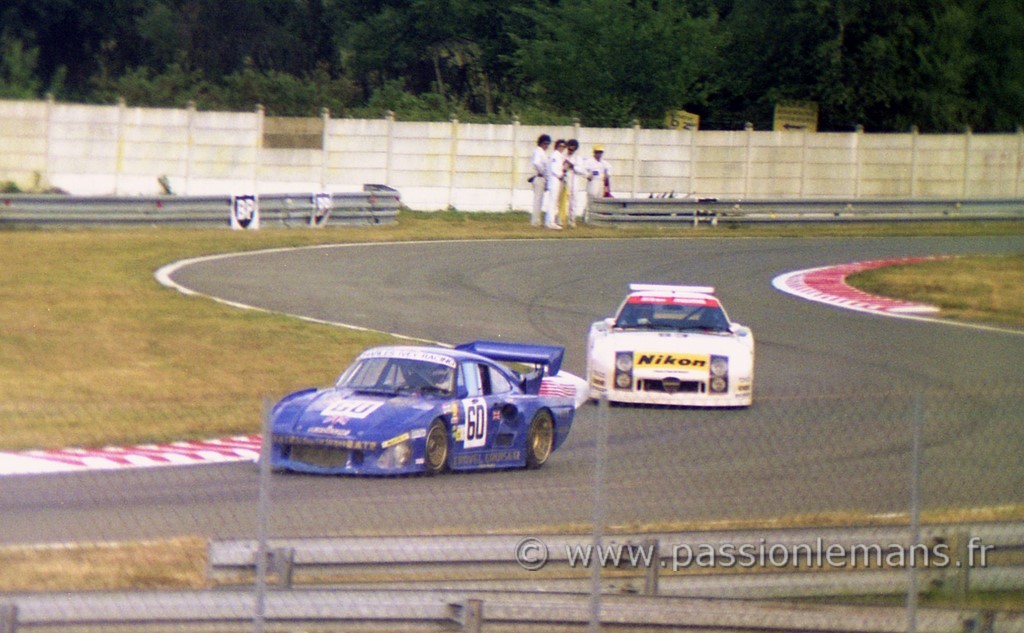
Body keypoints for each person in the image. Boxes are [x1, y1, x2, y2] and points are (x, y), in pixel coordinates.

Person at [582, 145, 613, 220]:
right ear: (594, 152)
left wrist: (607, 175)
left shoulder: (603, 162)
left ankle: (596, 216)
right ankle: (587, 217)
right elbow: (582, 170)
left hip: (600, 182)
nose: (599, 154)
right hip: (593, 182)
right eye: (597, 152)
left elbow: (610, 169)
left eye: (600, 152)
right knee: (591, 198)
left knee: (599, 199)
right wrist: (587, 175)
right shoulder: (589, 161)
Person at [542, 139, 567, 229]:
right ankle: (550, 222)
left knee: (555, 201)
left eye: (564, 146)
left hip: (558, 179)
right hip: (554, 179)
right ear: (557, 146)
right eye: (561, 146)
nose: (562, 148)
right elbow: (554, 169)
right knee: (552, 201)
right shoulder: (555, 156)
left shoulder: (560, 156)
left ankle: (551, 221)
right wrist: (560, 175)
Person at [564, 139, 588, 227]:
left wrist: (572, 166)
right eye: (569, 148)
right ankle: (560, 219)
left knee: (573, 201)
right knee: (562, 200)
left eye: (572, 149)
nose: (570, 151)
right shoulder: (563, 156)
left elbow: (581, 170)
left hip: (574, 180)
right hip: (563, 179)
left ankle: (572, 220)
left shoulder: (578, 158)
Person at [529, 134, 551, 226]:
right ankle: (535, 221)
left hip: (542, 177)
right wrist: (542, 172)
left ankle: (537, 220)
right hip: (539, 177)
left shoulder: (542, 152)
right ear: (540, 143)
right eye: (545, 143)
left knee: (540, 200)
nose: (546, 146)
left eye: (547, 144)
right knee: (538, 200)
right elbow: (537, 163)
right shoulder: (538, 151)